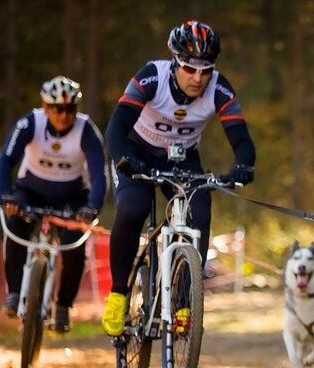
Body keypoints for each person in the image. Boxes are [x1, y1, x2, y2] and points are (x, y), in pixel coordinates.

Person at [101, 20, 256, 336]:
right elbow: (116, 128)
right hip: (136, 152)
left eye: (206, 69)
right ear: (175, 62)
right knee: (132, 208)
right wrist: (123, 160)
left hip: (183, 158)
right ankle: (118, 294)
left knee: (200, 211)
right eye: (189, 68)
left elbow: (241, 138)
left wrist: (243, 166)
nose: (198, 78)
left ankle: (184, 300)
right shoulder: (151, 77)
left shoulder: (220, 88)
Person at [0, 75, 108, 332]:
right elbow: (5, 160)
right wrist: (5, 196)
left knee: (74, 246)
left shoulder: (87, 130)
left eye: (70, 109)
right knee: (15, 226)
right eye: (57, 109)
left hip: (72, 198)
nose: (64, 115)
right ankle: (14, 292)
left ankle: (63, 307)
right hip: (31, 191)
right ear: (46, 107)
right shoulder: (29, 123)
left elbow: (100, 174)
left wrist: (91, 207)